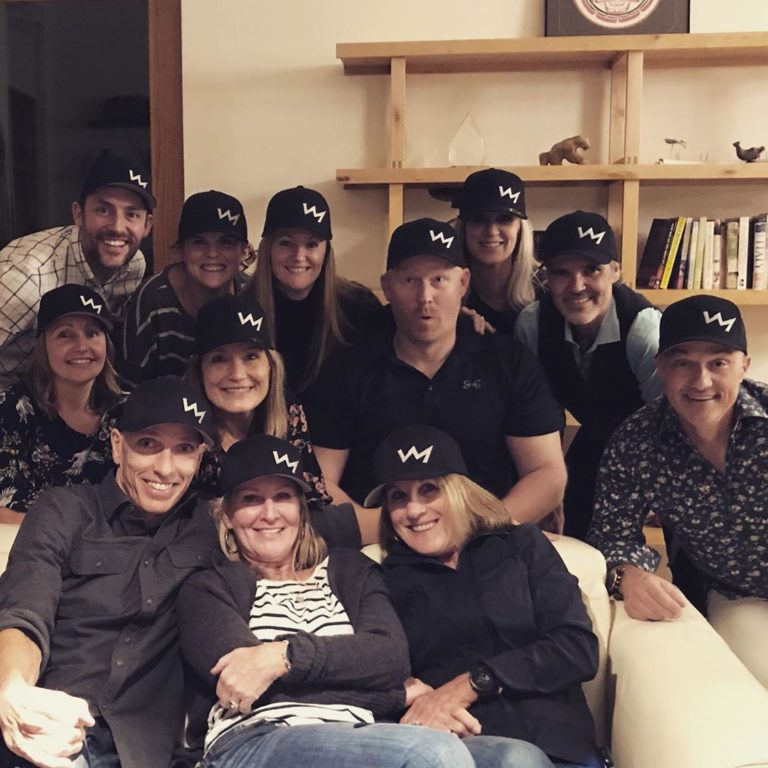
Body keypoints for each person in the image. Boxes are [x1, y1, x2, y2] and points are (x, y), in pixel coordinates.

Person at [176, 434, 475, 768]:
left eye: (283, 496)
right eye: (251, 499)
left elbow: (390, 657)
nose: (270, 514)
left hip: (366, 734)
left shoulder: (351, 570)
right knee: (433, 753)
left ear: (302, 510)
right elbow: (250, 688)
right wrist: (395, 696)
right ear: (228, 515)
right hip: (255, 738)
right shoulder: (208, 588)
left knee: (511, 758)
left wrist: (284, 657)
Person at [306, 217, 566, 544]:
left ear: (463, 283)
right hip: (378, 547)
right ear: (387, 287)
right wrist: (396, 530)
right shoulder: (347, 370)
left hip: (487, 541)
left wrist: (476, 529)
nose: (425, 296)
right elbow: (321, 481)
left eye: (439, 279)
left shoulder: (509, 362)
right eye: (409, 280)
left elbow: (547, 474)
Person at [0, 376, 216, 768]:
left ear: (199, 458)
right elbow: (24, 611)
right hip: (50, 720)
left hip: (142, 747)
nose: (165, 468)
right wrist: (13, 687)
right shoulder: (64, 510)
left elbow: (298, 527)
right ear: (118, 445)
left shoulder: (213, 528)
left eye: (184, 449)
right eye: (148, 444)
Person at [368, 424, 602, 768]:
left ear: (460, 491)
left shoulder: (522, 545)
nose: (414, 510)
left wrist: (473, 683)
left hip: (558, 746)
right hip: (462, 749)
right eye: (398, 497)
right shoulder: (385, 580)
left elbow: (577, 648)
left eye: (429, 489)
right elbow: (385, 674)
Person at [588, 295, 768, 688]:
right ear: (661, 367)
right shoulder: (635, 442)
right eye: (683, 363)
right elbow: (611, 533)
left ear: (744, 366)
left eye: (718, 363)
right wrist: (628, 576)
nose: (701, 381)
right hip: (738, 597)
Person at [515, 211, 662, 539]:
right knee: (568, 536)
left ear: (615, 271)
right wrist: (546, 488)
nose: (577, 286)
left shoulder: (644, 330)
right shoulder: (533, 325)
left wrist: (658, 491)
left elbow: (668, 422)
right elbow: (538, 416)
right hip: (594, 439)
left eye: (591, 270)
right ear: (546, 278)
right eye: (562, 272)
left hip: (649, 446)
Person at [0, 149, 154, 388]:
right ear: (78, 214)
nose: (117, 227)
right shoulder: (25, 277)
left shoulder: (133, 265)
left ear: (147, 225)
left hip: (64, 391)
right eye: (103, 210)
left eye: (131, 214)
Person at [188, 292, 332, 509]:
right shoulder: (186, 431)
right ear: (200, 371)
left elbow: (314, 505)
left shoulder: (288, 411)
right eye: (219, 359)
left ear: (271, 365)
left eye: (251, 356)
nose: (237, 374)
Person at [0, 284, 122, 525]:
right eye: (65, 334)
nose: (82, 346)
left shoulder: (129, 411)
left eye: (92, 333)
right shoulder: (9, 410)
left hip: (110, 546)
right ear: (42, 345)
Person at [247, 185, 386, 392]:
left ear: (326, 251)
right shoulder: (243, 309)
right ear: (268, 249)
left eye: (311, 244)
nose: (298, 256)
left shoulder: (359, 307)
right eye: (285, 243)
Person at [118, 190, 250, 388]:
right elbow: (130, 388)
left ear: (244, 252)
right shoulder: (153, 300)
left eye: (226, 242)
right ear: (181, 250)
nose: (212, 253)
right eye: (199, 242)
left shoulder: (251, 294)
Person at [455, 168, 539, 335]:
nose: (491, 231)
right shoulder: (443, 292)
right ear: (464, 229)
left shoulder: (547, 289)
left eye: (504, 219)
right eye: (479, 219)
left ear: (520, 228)